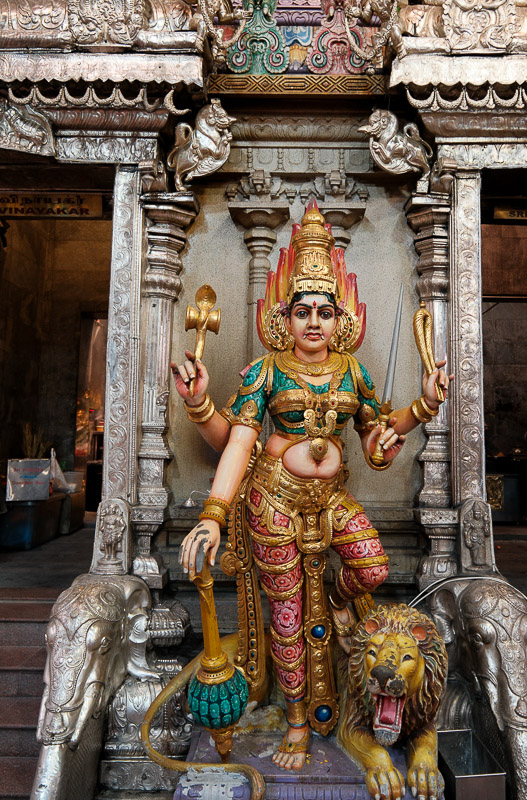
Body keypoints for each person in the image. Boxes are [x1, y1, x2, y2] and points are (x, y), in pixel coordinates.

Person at [172, 202, 451, 772]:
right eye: (303, 312)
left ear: (340, 319)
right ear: (286, 319)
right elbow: (238, 441)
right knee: (287, 619)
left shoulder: (352, 371)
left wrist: (422, 406)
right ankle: (298, 721)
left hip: (330, 500)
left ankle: (340, 607)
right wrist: (212, 510)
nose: (315, 322)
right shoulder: (266, 370)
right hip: (272, 501)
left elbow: (377, 433)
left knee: (371, 568)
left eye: (326, 311)